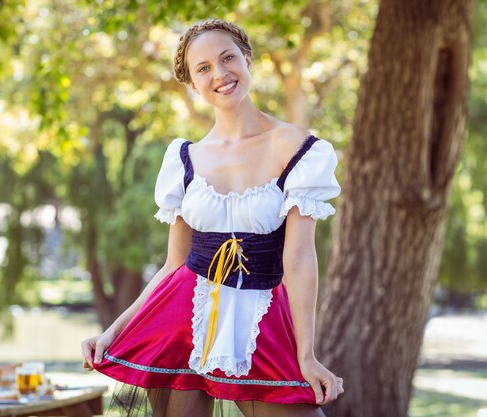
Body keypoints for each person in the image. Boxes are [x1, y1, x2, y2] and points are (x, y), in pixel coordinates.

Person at [81, 18, 344, 417]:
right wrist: (112, 330)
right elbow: (173, 265)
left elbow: (300, 258)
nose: (220, 74)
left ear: (248, 60)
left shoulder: (297, 147)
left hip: (263, 322)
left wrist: (306, 355)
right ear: (192, 84)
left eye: (227, 58)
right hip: (183, 321)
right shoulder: (183, 159)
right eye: (203, 68)